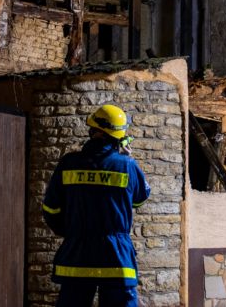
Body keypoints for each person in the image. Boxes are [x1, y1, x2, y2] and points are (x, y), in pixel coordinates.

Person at [42, 104, 151, 307]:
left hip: (77, 254)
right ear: (118, 136)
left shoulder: (69, 163)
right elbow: (140, 200)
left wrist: (71, 232)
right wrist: (128, 158)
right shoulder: (127, 165)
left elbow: (50, 209)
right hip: (116, 257)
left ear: (94, 131)